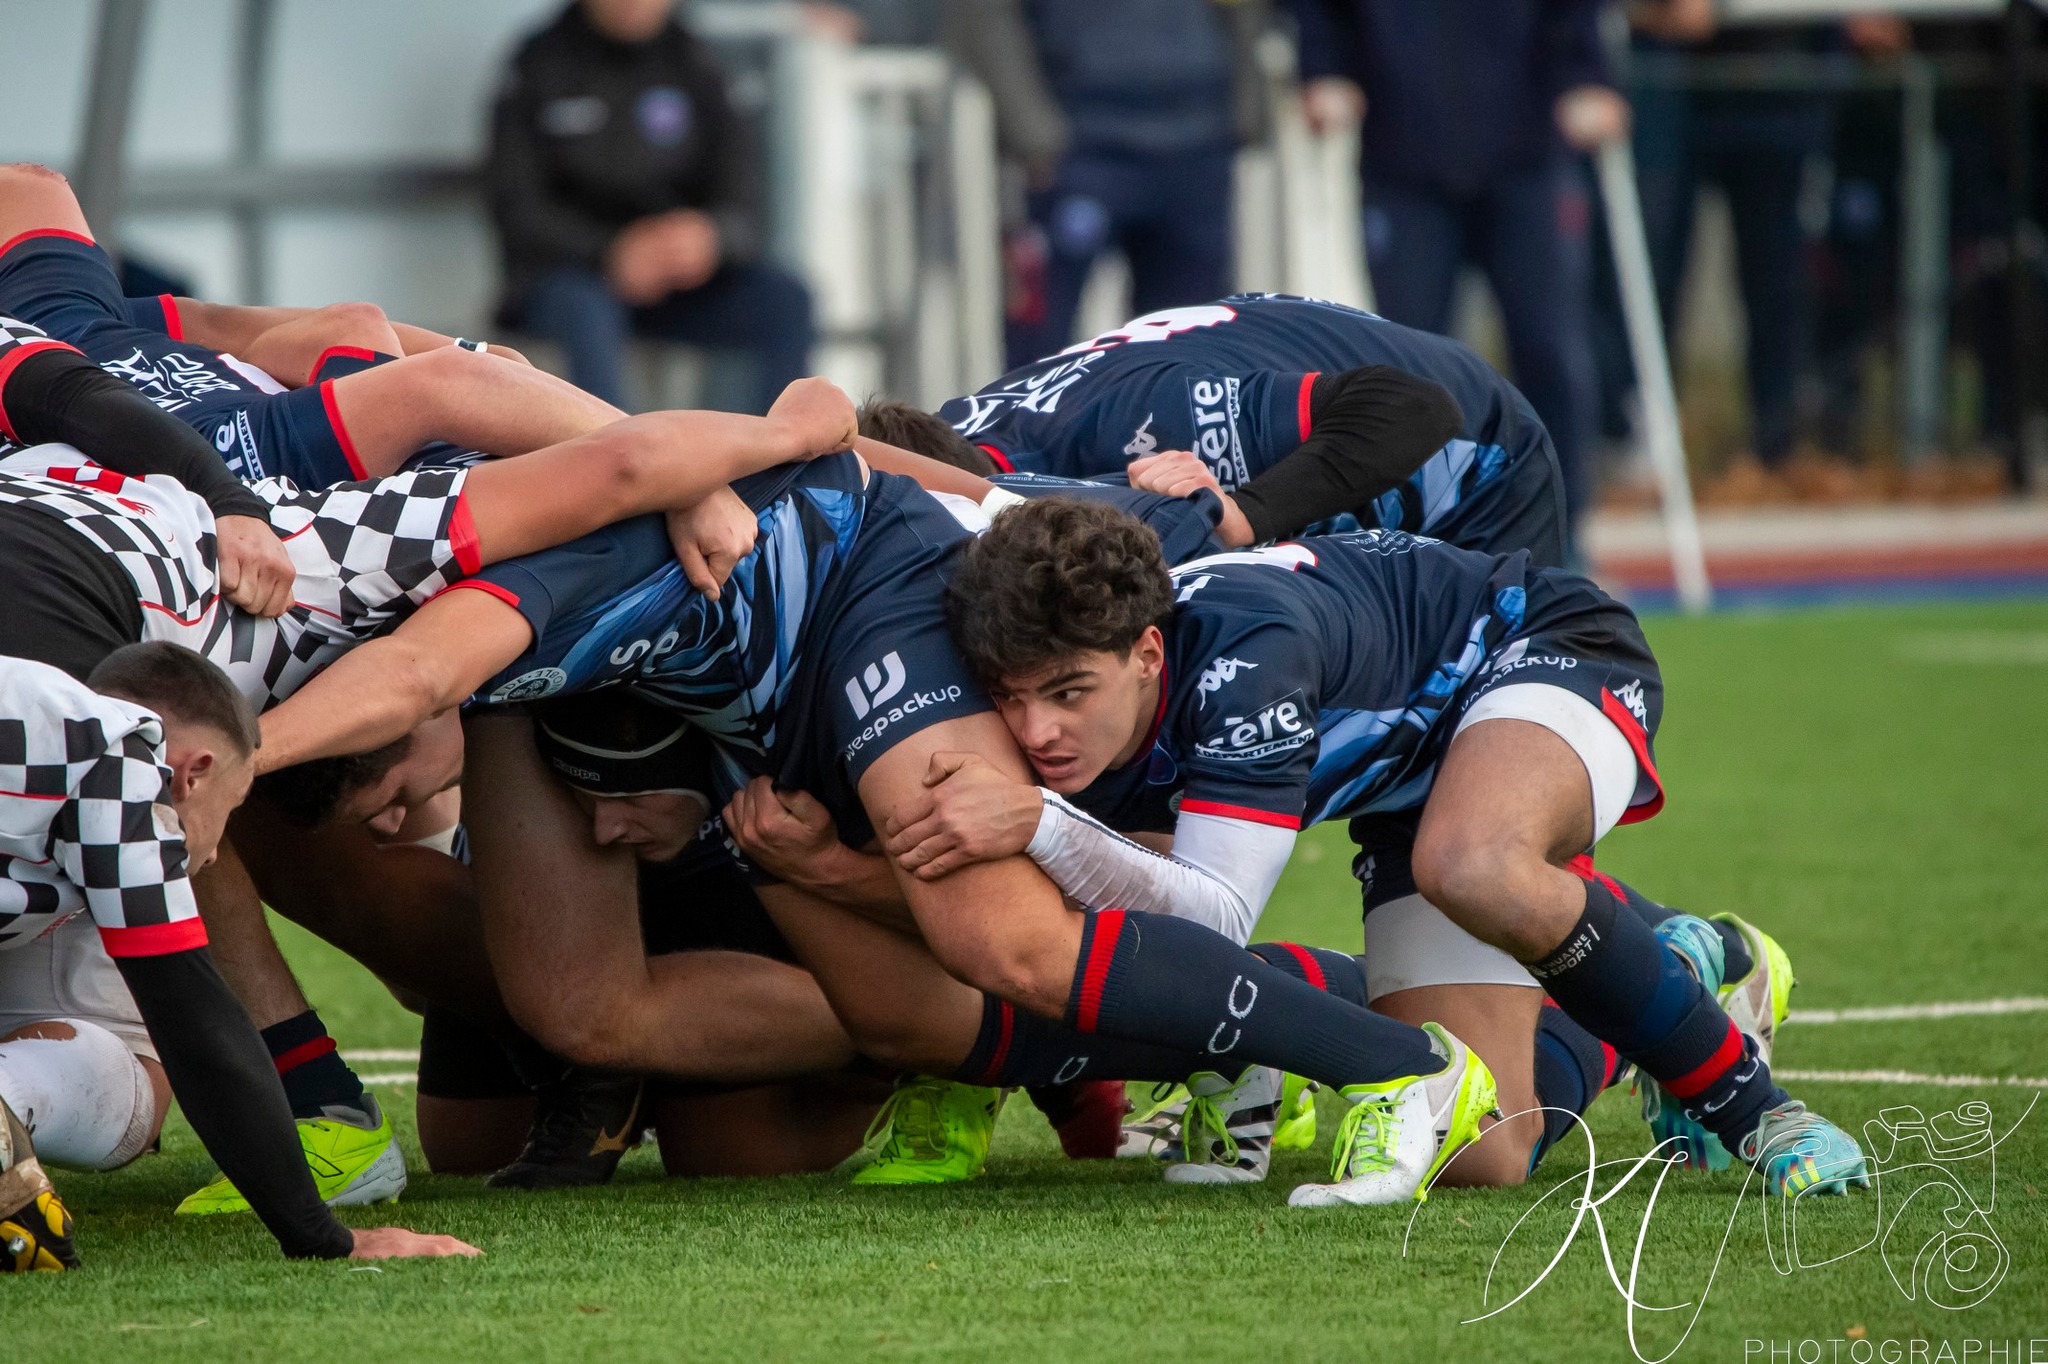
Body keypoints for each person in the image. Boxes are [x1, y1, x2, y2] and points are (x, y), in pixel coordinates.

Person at [254, 443, 1564, 1210]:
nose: (390, 810)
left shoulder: (476, 585)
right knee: (591, 1030)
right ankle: (1190, 1034)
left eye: (382, 785)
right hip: (758, 708)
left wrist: (221, 755)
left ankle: (1402, 1067)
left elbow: (420, 672)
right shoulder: (378, 552)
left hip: (861, 606)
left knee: (1003, 940)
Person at [0, 378, 860, 1212]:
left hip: (725, 742)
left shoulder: (352, 535)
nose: (397, 818)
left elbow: (436, 368)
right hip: (154, 681)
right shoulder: (267, 611)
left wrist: (731, 467)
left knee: (701, 1119)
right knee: (470, 1121)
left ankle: (930, 1034)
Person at [879, 497, 1864, 1198]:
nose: (1034, 728)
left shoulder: (1243, 660)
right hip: (1409, 787)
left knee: (1473, 860)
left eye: (1065, 692)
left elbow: (1214, 916)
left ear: (1145, 652)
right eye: (1010, 696)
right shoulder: (1085, 626)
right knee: (1485, 1148)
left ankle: (1754, 1107)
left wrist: (1039, 822)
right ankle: (1671, 970)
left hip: (1537, 650)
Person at [0, 644, 478, 1269]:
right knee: (142, 1072)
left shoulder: (40, 705)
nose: (218, 855)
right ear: (192, 774)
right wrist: (320, 1235)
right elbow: (193, 1021)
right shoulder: (119, 765)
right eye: (232, 804)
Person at [0, 162, 622, 487]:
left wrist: (489, 355)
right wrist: (681, 471)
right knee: (442, 383)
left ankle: (659, 463)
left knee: (375, 334)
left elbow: (219, 319)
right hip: (222, 458)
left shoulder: (77, 314)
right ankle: (674, 467)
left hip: (146, 369)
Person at [1289, 1, 1626, 551]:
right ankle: (1417, 540)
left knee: (1550, 348)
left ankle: (1561, 535)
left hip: (1529, 156)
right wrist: (1325, 69)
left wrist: (1589, 76)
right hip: (1404, 161)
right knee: (1407, 363)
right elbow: (1321, 14)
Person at [928, 294, 1567, 566]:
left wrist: (1244, 517)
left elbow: (1414, 409)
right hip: (1302, 393)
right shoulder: (939, 438)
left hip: (1475, 460)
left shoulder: (1144, 424)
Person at [488, 0, 815, 413]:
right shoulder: (538, 64)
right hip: (573, 277)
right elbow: (516, 208)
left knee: (785, 298)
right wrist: (611, 251)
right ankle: (616, 465)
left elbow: (746, 203)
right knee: (584, 309)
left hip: (679, 281)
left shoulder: (698, 61)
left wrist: (711, 237)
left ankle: (780, 465)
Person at [944, 0, 1271, 368]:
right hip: (1079, 144)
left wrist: (1247, 106)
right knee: (1042, 351)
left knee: (1191, 350)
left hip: (1199, 140)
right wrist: (1033, 133)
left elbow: (1246, 12)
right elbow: (986, 16)